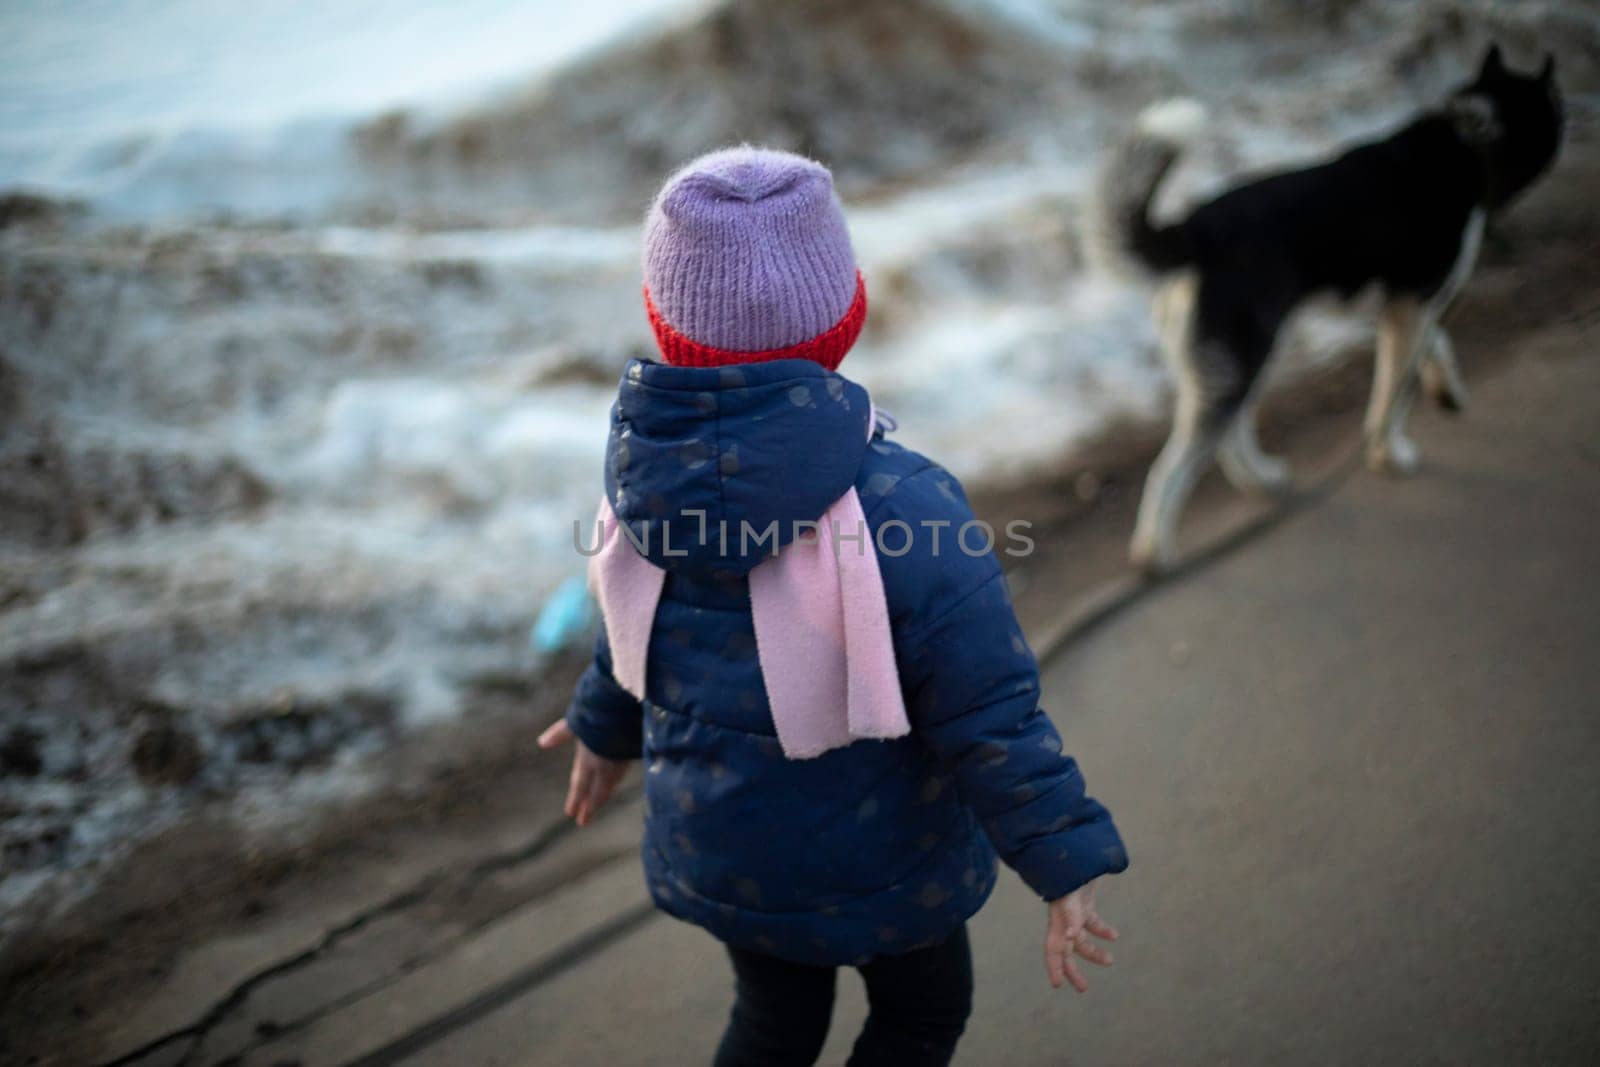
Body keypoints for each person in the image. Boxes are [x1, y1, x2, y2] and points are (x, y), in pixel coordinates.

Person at [540, 146, 1127, 1066]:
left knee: (774, 1021)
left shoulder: (646, 479)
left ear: (662, 320)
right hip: (886, 865)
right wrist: (1063, 853)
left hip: (727, 849)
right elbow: (987, 710)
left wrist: (601, 725)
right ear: (848, 313)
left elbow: (641, 632)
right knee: (921, 1016)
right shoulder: (902, 505)